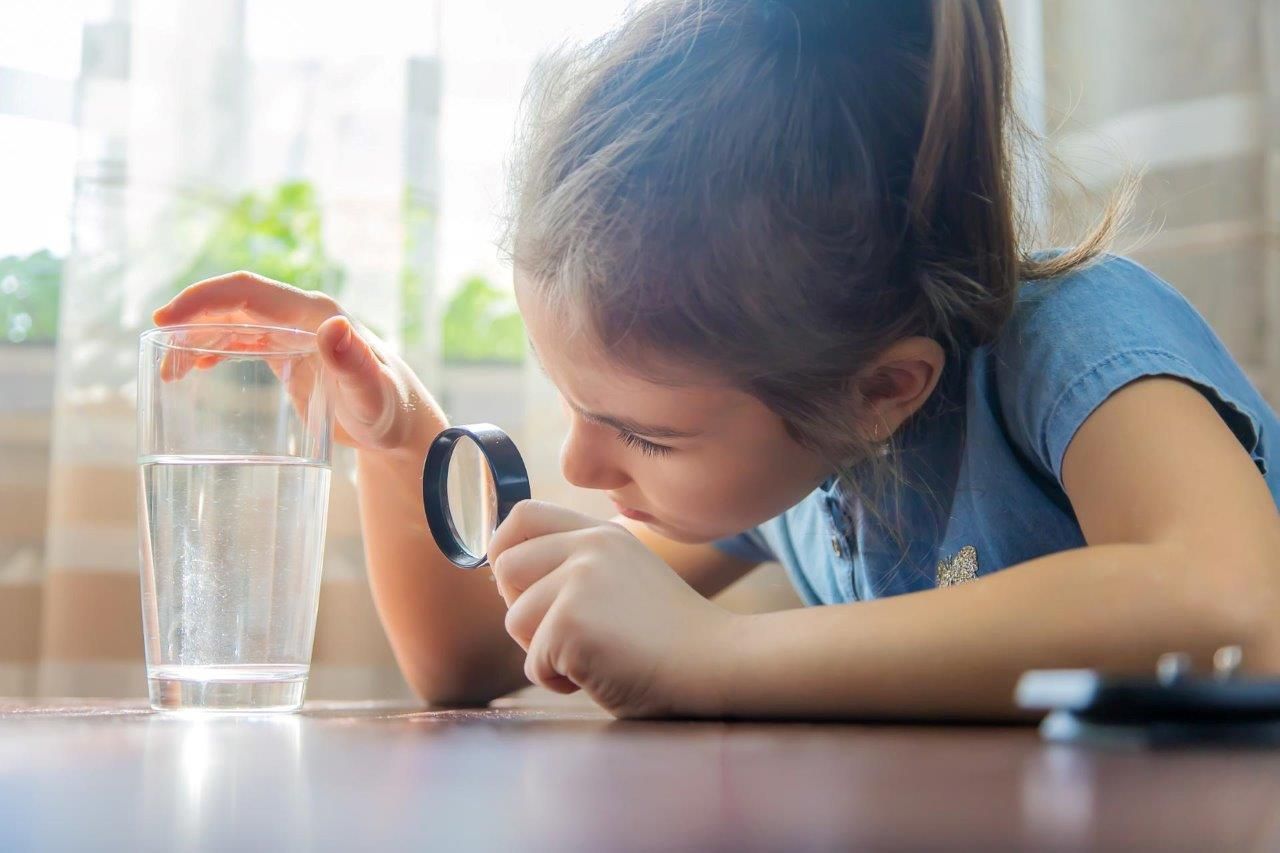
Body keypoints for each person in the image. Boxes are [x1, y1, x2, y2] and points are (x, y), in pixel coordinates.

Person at [151, 0, 1280, 719]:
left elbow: (1233, 605)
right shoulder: (789, 461)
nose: (584, 464)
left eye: (643, 431)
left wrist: (718, 657)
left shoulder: (1074, 336)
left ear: (884, 389)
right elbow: (467, 661)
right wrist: (396, 437)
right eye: (574, 404)